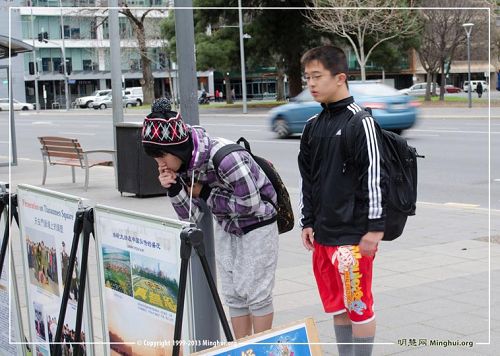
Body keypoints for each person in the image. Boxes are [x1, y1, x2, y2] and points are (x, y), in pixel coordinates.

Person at [141, 98, 279, 339]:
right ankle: (242, 349)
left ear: (176, 149)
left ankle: (262, 348)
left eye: (162, 156)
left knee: (257, 294)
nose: (160, 163)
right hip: (227, 226)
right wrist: (174, 189)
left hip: (258, 224)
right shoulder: (182, 167)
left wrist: (205, 193)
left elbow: (251, 204)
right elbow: (192, 216)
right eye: (155, 158)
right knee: (234, 294)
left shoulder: (225, 158)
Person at [298, 45, 387, 356]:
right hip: (323, 236)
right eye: (307, 77)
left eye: (317, 76)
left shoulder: (360, 122)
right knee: (337, 306)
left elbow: (374, 177)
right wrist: (307, 221)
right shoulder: (312, 126)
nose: (310, 83)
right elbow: (307, 180)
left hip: (352, 238)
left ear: (340, 78)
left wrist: (375, 229)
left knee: (358, 306)